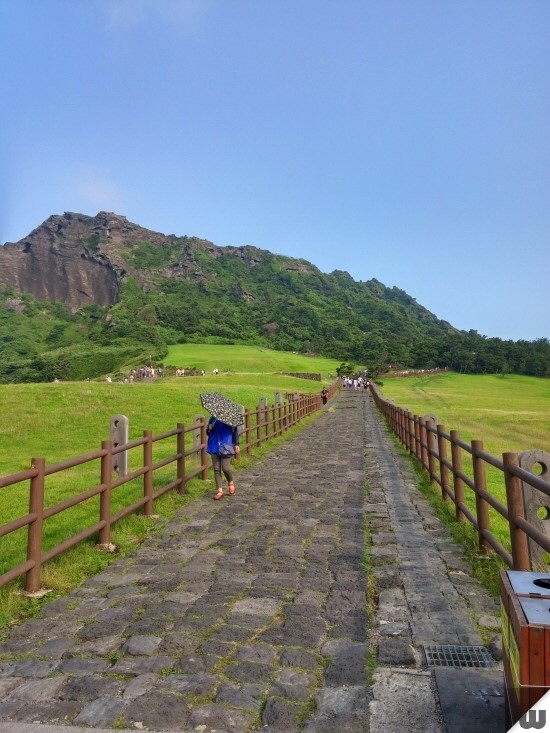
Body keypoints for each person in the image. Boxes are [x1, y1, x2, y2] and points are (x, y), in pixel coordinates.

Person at [206, 416, 240, 500]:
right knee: (216, 469)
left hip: (226, 446)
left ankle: (230, 482)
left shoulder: (230, 418)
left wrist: (236, 444)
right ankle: (219, 490)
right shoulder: (212, 419)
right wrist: (209, 429)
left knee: (225, 468)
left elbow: (235, 432)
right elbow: (207, 432)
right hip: (214, 445)